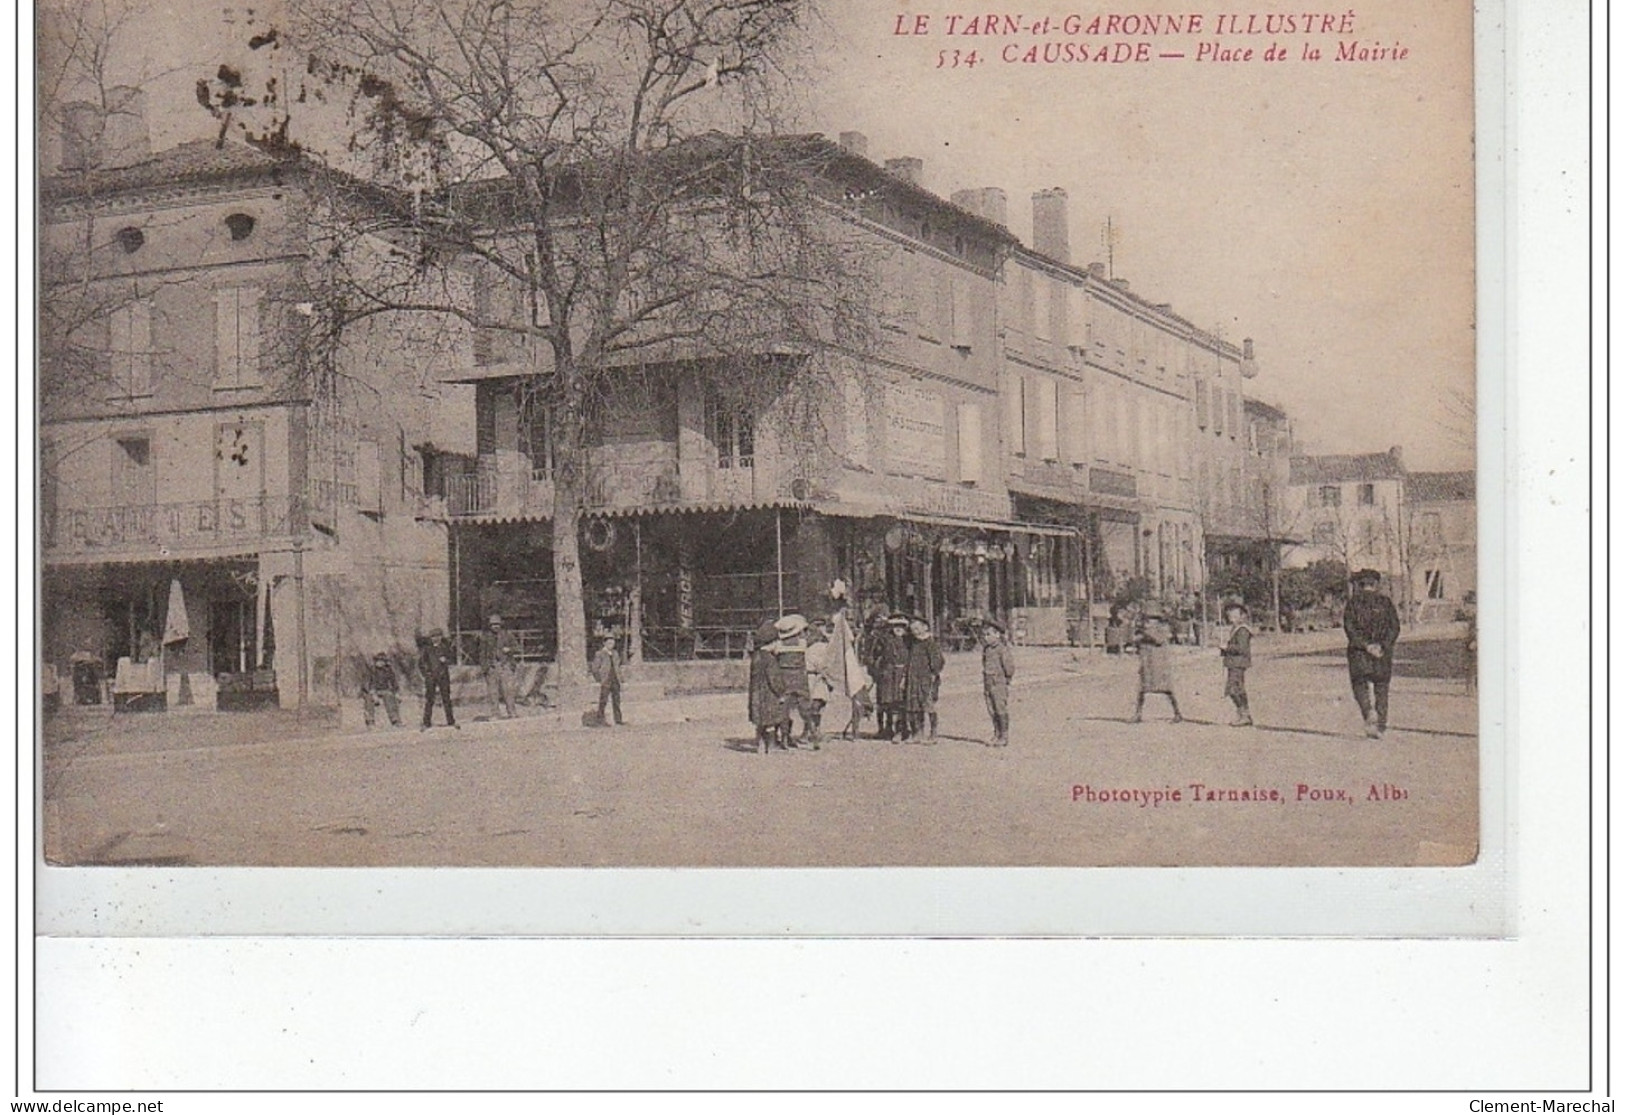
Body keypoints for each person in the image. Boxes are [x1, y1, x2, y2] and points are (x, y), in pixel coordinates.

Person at [1343, 568, 1401, 737]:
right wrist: (1383, 645)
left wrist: (1366, 646)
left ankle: (1368, 711)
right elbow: (1395, 627)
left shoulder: (1353, 604)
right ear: (1376, 584)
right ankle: (1381, 726)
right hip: (1382, 654)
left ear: (1360, 585)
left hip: (1359, 653)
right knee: (1382, 688)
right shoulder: (1386, 603)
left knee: (1359, 684)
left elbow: (1349, 629)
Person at [1131, 609, 1183, 723]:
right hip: (1147, 664)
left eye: (1152, 619)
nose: (1149, 621)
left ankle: (1177, 713)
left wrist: (1145, 633)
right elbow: (1135, 642)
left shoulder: (1162, 629)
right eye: (1148, 619)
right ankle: (1138, 714)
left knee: (1167, 690)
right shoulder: (1143, 631)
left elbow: (1158, 640)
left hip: (1160, 665)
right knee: (1141, 689)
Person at [748, 621, 789, 752]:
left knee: (760, 722)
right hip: (769, 696)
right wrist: (781, 693)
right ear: (771, 642)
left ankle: (759, 744)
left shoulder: (756, 657)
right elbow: (774, 679)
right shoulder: (770, 660)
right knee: (770, 721)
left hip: (756, 696)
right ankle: (771, 746)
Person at [772, 614, 812, 745]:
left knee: (784, 708)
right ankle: (813, 733)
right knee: (805, 707)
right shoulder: (802, 644)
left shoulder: (778, 645)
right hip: (800, 677)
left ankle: (784, 737)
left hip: (784, 677)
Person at [903, 617, 945, 742]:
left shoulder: (930, 643)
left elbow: (938, 662)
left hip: (927, 680)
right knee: (914, 706)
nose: (914, 631)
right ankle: (917, 732)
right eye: (912, 629)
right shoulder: (913, 643)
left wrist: (933, 673)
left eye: (917, 628)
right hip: (913, 678)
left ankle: (933, 733)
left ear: (925, 627)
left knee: (928, 705)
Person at [980, 619, 1015, 747]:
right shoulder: (986, 650)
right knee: (991, 709)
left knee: (1000, 708)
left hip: (998, 682)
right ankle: (996, 733)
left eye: (989, 634)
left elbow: (1009, 667)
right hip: (988, 682)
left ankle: (1004, 736)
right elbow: (984, 664)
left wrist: (1006, 679)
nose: (986, 637)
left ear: (997, 635)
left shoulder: (1002, 649)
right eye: (984, 635)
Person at [874, 614, 910, 741]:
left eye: (901, 626)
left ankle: (900, 730)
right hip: (888, 674)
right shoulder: (884, 640)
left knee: (901, 703)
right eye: (895, 626)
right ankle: (887, 728)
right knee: (887, 702)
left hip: (903, 674)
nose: (898, 629)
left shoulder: (909, 640)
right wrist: (878, 671)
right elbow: (875, 656)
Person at [478, 614, 521, 720]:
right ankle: (495, 713)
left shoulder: (507, 635)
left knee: (508, 691)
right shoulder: (485, 637)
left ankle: (511, 712)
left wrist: (509, 649)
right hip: (492, 667)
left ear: (501, 624)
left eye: (497, 624)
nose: (495, 626)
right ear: (490, 625)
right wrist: (485, 668)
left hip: (505, 666)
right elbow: (481, 653)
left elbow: (517, 648)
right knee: (493, 692)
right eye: (493, 625)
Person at [1219, 603, 1254, 727]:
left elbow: (1241, 648)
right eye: (1230, 615)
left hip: (1238, 663)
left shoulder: (1243, 630)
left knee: (1233, 689)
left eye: (1234, 615)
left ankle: (1244, 715)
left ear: (1241, 616)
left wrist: (1227, 648)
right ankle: (1244, 714)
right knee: (1237, 689)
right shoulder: (1236, 629)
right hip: (1234, 663)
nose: (1231, 617)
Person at [802, 621, 834, 749]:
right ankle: (812, 732)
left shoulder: (818, 647)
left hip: (816, 677)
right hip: (814, 677)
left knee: (814, 705)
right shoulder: (815, 647)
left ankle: (812, 731)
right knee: (815, 706)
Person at [418, 629, 458, 730]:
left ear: (441, 637)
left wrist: (446, 660)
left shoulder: (445, 648)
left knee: (446, 699)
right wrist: (427, 674)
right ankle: (426, 722)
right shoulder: (427, 649)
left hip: (443, 675)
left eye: (438, 636)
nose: (436, 639)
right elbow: (421, 663)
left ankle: (451, 720)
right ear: (431, 638)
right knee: (430, 699)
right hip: (431, 677)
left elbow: (452, 659)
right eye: (433, 637)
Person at [361, 651, 402, 729]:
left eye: (382, 661)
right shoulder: (371, 670)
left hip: (384, 689)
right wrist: (372, 692)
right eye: (378, 661)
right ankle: (370, 721)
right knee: (369, 699)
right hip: (372, 690)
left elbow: (393, 682)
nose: (380, 663)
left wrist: (396, 692)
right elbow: (366, 682)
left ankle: (395, 720)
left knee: (390, 697)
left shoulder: (388, 670)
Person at [591, 636, 624, 727]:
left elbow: (618, 667)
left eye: (613, 643)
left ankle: (618, 720)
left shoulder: (615, 653)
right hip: (606, 680)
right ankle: (600, 720)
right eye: (609, 643)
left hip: (615, 680)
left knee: (617, 701)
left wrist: (620, 678)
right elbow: (594, 668)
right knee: (603, 701)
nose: (611, 645)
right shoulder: (600, 654)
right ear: (604, 643)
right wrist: (600, 679)